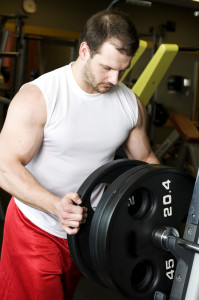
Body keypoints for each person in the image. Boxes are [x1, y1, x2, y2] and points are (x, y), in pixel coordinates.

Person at [0, 9, 159, 300]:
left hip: (85, 232)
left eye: (123, 70)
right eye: (107, 68)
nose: (114, 78)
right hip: (35, 227)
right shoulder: (40, 96)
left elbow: (147, 161)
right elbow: (5, 167)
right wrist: (55, 206)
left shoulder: (129, 104)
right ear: (84, 50)